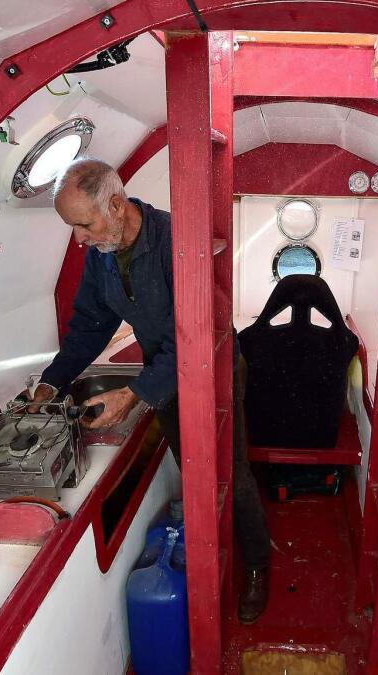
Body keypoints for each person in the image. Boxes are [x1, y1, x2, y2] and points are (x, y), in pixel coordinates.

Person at [23, 158, 271, 624]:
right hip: (166, 375)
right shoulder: (101, 255)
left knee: (231, 476)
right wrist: (52, 382)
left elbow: (196, 335)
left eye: (83, 224)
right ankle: (207, 554)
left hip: (214, 367)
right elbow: (90, 326)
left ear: (115, 205)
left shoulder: (178, 242)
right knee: (195, 473)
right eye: (72, 227)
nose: (78, 238)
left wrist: (136, 392)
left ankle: (257, 566)